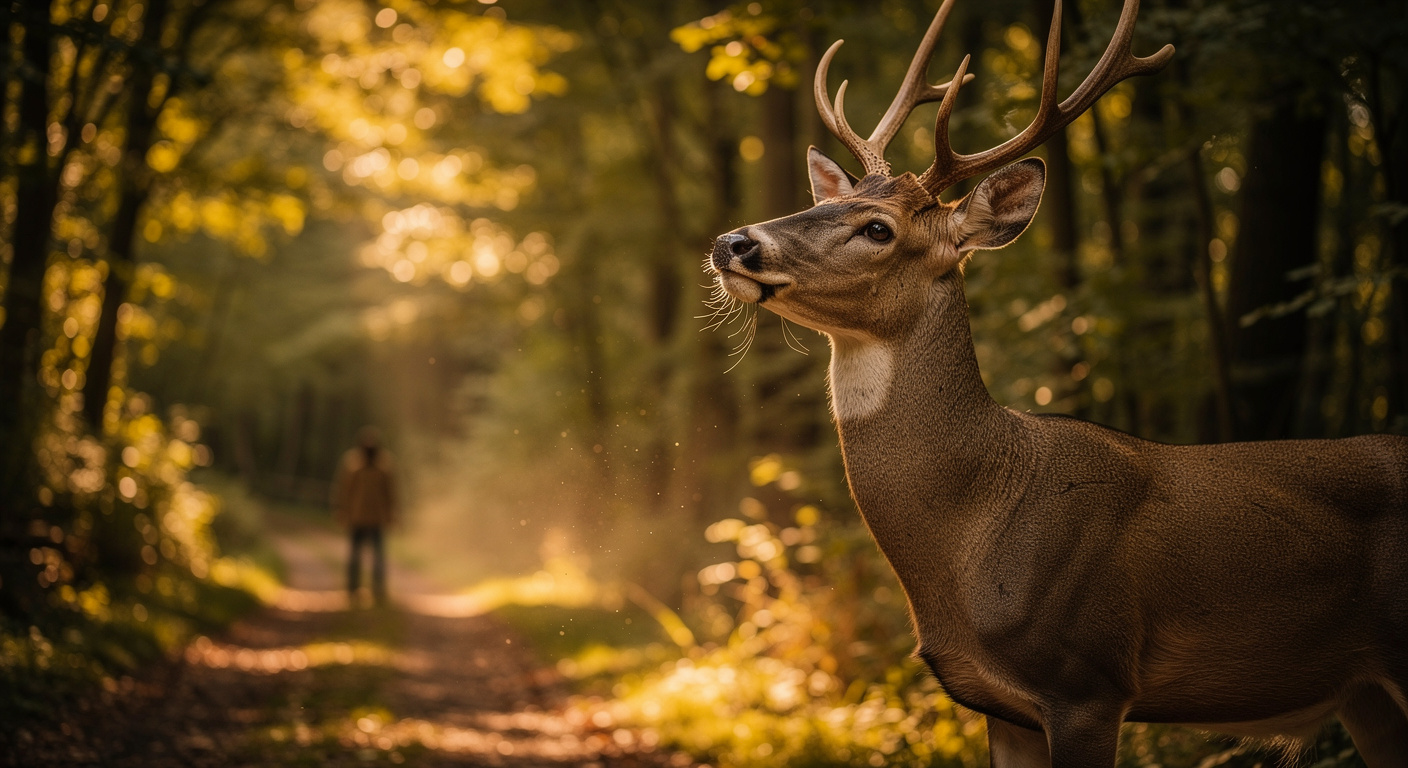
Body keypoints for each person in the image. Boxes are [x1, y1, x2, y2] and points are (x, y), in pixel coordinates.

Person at [331, 426, 397, 604]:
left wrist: (391, 513)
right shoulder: (352, 464)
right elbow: (344, 490)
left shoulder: (384, 465)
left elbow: (390, 492)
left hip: (376, 518)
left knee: (377, 557)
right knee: (355, 556)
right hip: (357, 517)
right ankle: (353, 590)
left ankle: (378, 590)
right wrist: (341, 510)